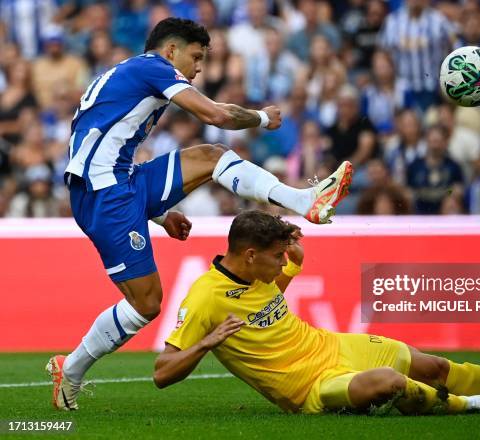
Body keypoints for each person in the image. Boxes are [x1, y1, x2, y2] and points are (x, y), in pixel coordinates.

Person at [46, 17, 353, 411]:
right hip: (104, 194)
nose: (199, 67)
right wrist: (261, 118)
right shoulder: (152, 67)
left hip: (124, 181)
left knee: (212, 156)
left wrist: (159, 212)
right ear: (171, 50)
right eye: (195, 56)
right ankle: (69, 370)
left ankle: (304, 199)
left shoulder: (134, 73)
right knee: (148, 303)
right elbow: (216, 115)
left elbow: (108, 140)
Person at [154, 210, 480, 415]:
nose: (284, 263)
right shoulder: (205, 298)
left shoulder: (259, 274)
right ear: (249, 255)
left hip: (334, 346)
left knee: (427, 364)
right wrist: (207, 342)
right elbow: (162, 373)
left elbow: (268, 300)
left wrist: (292, 260)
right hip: (310, 387)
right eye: (277, 256)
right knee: (390, 383)